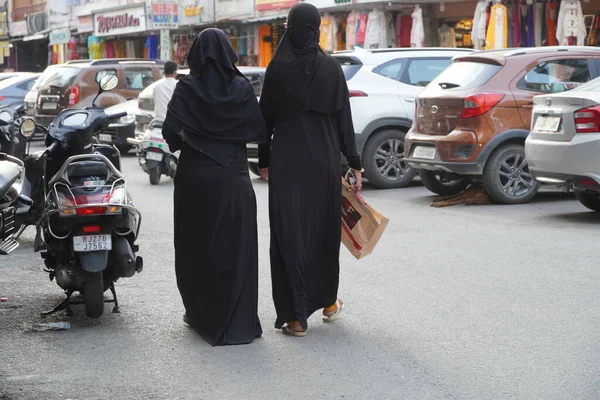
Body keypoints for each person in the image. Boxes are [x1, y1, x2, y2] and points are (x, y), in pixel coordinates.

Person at [258, 2, 363, 337]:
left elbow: (265, 121)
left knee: (290, 235)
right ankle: (328, 302)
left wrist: (263, 160)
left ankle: (295, 318)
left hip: (288, 164)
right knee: (322, 234)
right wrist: (355, 163)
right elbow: (344, 119)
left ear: (290, 29)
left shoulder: (277, 70)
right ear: (316, 29)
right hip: (324, 163)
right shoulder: (331, 69)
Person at [161, 29, 267, 346]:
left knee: (197, 249)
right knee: (236, 251)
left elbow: (170, 134)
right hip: (234, 180)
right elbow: (257, 132)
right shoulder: (241, 88)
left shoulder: (186, 88)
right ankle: (238, 322)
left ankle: (200, 314)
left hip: (195, 180)